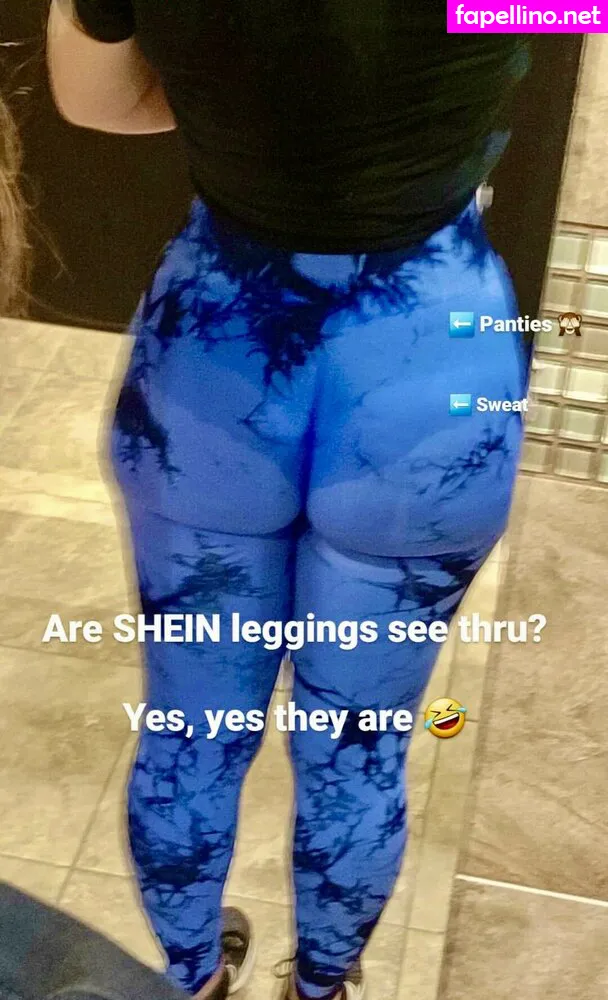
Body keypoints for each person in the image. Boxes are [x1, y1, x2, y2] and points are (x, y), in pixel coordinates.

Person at [46, 4, 532, 1000]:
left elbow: (95, 102)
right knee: (358, 750)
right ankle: (321, 989)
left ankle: (190, 980)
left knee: (190, 729)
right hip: (433, 365)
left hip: (215, 351)